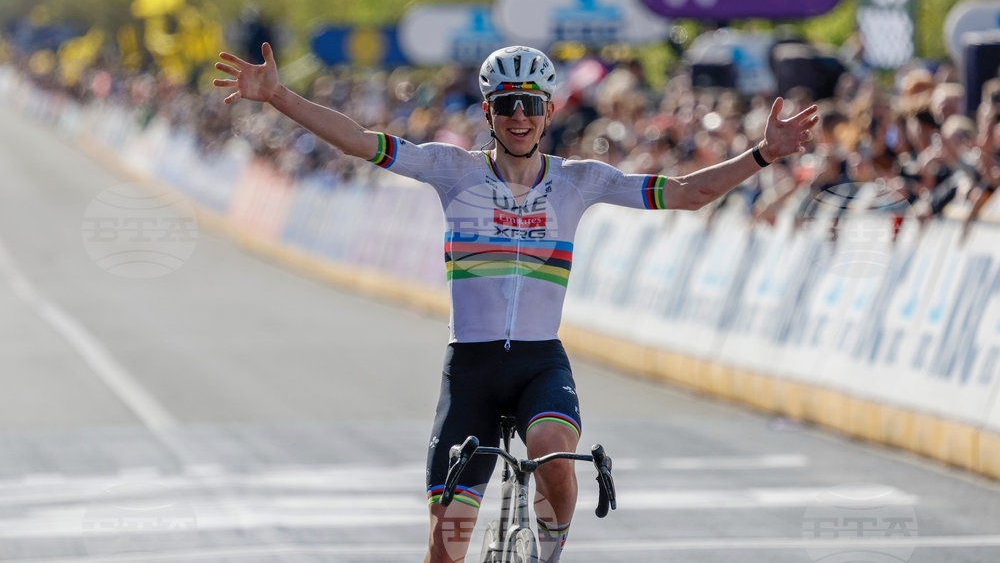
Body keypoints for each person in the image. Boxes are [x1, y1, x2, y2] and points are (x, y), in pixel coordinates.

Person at [214, 43, 818, 563]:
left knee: (557, 460)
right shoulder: (453, 172)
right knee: (445, 549)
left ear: (550, 110)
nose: (520, 116)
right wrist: (279, 97)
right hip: (471, 371)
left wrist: (763, 154)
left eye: (531, 104)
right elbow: (359, 141)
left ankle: (547, 554)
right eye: (507, 104)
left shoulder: (581, 180)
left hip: (539, 364)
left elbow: (687, 193)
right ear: (489, 112)